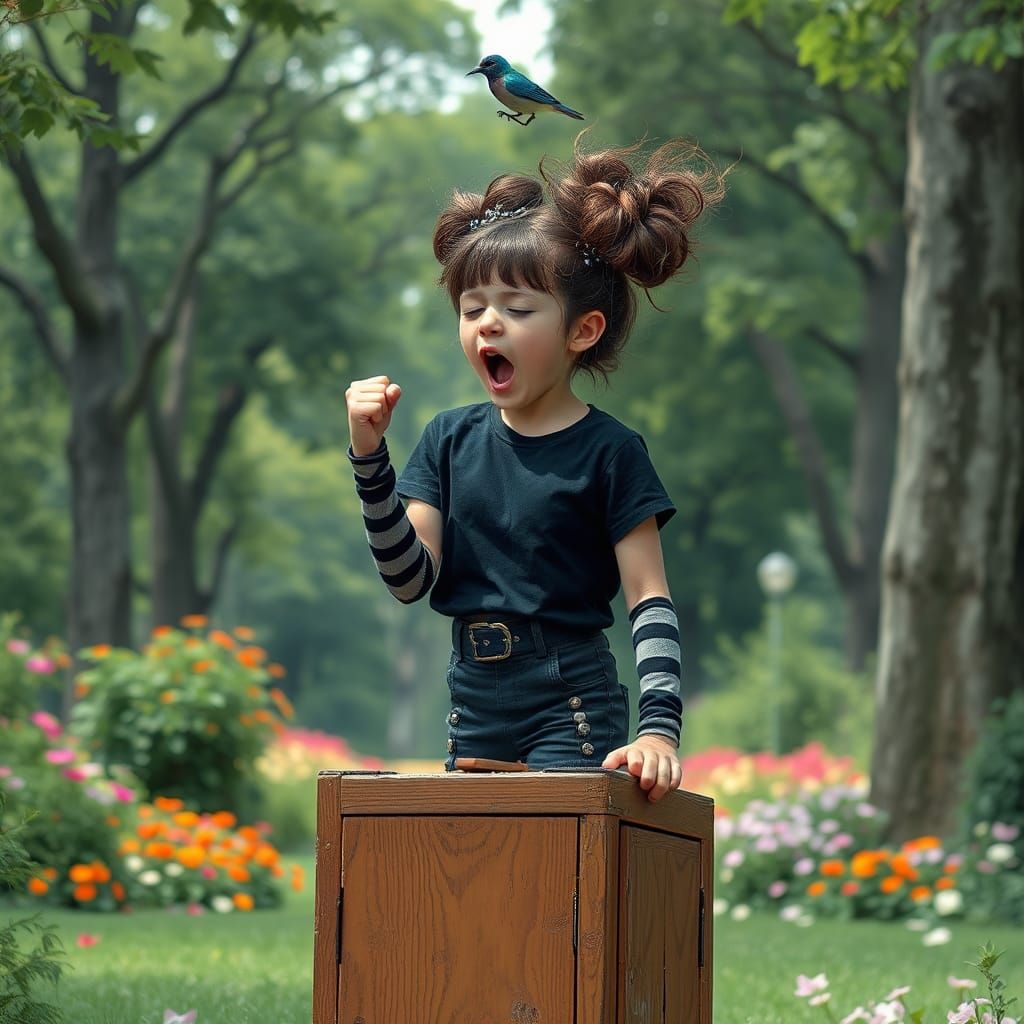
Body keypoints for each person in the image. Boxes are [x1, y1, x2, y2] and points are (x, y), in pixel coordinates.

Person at [345, 136, 725, 802]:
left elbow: (649, 601)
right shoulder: (446, 439)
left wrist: (659, 733)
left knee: (558, 882)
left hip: (572, 706)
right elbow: (409, 580)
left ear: (582, 331)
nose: (488, 325)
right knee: (481, 883)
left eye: (518, 311)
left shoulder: (612, 453)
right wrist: (370, 458)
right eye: (472, 310)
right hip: (471, 698)